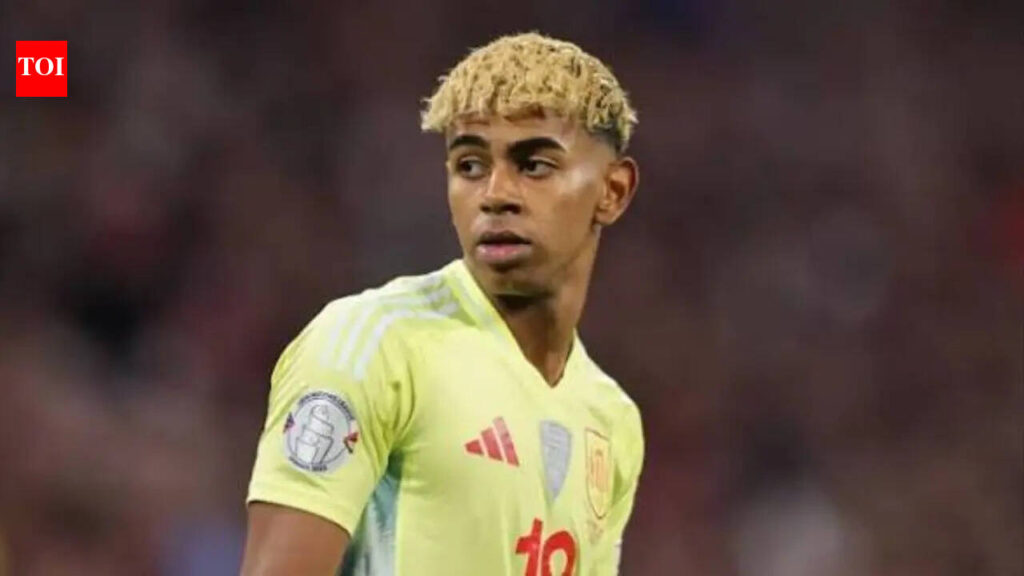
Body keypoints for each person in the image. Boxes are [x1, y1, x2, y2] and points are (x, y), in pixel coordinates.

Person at [240, 32, 643, 576]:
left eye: (534, 166)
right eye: (470, 166)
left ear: (613, 191)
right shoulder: (371, 346)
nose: (495, 195)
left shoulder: (611, 418)